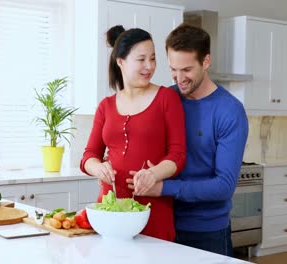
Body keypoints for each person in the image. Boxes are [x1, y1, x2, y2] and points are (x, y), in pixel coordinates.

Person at [127, 23, 249, 256]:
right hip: (161, 221)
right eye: (174, 69)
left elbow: (223, 186)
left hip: (207, 231)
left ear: (206, 61)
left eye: (187, 70)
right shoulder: (167, 98)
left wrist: (162, 187)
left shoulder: (229, 111)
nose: (179, 78)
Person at [80, 25, 186, 241]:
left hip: (153, 210)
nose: (150, 66)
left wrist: (153, 175)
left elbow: (178, 155)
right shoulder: (106, 106)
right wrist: (98, 168)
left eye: (153, 58)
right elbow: (88, 156)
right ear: (121, 61)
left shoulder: (167, 98)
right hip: (110, 212)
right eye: (141, 59)